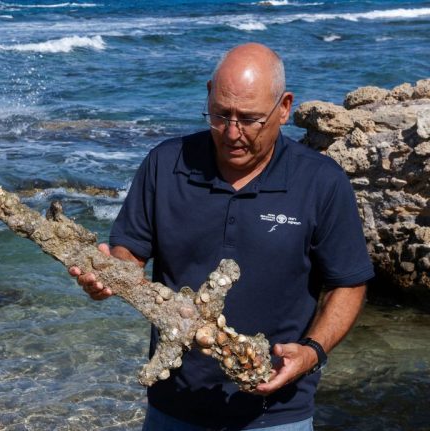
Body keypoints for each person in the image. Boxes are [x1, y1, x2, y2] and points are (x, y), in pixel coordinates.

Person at [69, 43, 374, 430]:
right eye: (220, 115)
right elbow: (129, 252)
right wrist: (110, 276)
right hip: (172, 407)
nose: (232, 133)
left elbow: (347, 283)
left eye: (249, 119)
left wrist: (312, 353)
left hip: (277, 413)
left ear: (284, 108)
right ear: (209, 92)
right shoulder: (166, 164)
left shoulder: (321, 182)